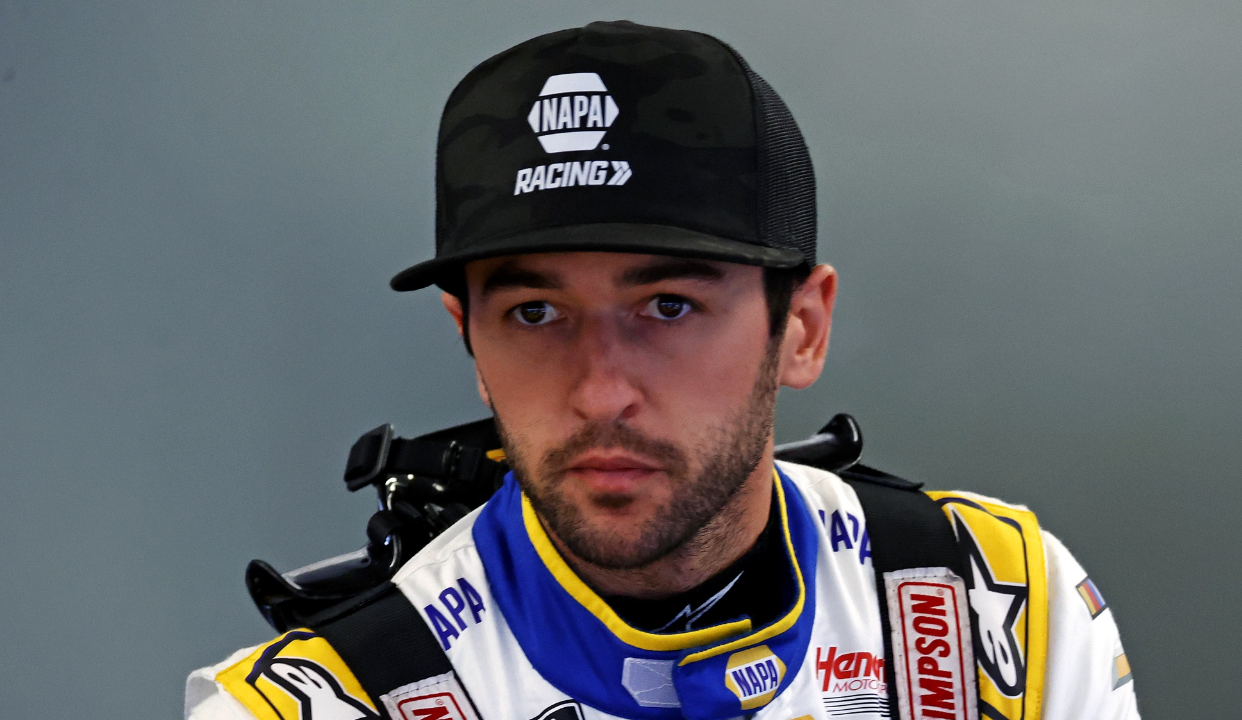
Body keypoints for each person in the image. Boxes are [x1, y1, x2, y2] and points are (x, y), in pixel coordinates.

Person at [184, 21, 1139, 720]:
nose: (601, 391)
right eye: (535, 313)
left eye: (669, 306)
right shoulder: (315, 706)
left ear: (802, 329)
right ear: (468, 338)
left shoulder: (997, 608)